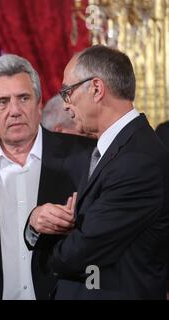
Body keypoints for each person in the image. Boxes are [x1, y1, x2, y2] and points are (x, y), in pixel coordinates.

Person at [0, 54, 94, 300]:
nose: (14, 111)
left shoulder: (83, 156)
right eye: (2, 102)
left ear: (38, 103)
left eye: (23, 98)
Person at [27, 45, 169, 299]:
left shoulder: (137, 161)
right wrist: (39, 220)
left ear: (96, 88)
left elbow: (78, 253)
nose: (66, 105)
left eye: (67, 92)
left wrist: (48, 243)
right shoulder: (112, 150)